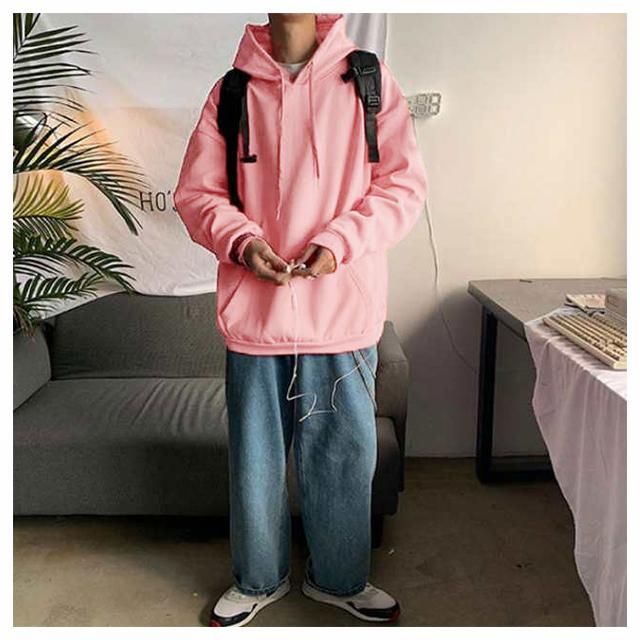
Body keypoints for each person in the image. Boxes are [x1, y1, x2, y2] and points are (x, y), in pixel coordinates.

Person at [173, 12, 427, 627]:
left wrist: (338, 243)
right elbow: (197, 194)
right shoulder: (232, 90)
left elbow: (402, 187)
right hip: (256, 317)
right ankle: (257, 579)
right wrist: (242, 242)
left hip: (342, 311)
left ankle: (340, 580)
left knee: (345, 457)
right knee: (254, 464)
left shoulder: (367, 79)